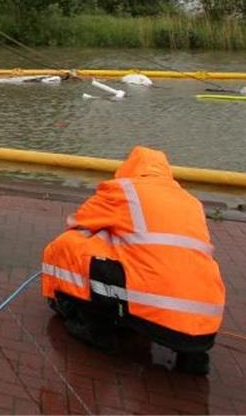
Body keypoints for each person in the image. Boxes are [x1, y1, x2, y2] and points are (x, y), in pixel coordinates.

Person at [40, 146, 225, 375]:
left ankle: (96, 328)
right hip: (205, 326)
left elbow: (79, 222)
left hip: (153, 311)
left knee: (71, 245)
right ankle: (193, 357)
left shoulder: (123, 190)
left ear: (129, 166)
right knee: (170, 260)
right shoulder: (191, 201)